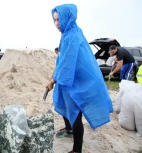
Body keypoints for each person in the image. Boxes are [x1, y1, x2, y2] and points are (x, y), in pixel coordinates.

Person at [46, 4, 113, 153]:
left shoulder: (72, 36)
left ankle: (77, 150)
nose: (57, 23)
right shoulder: (69, 32)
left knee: (75, 113)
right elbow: (63, 60)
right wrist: (55, 77)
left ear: (68, 17)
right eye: (54, 20)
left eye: (59, 19)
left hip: (79, 81)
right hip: (70, 79)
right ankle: (69, 129)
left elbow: (68, 63)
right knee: (63, 103)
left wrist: (53, 80)